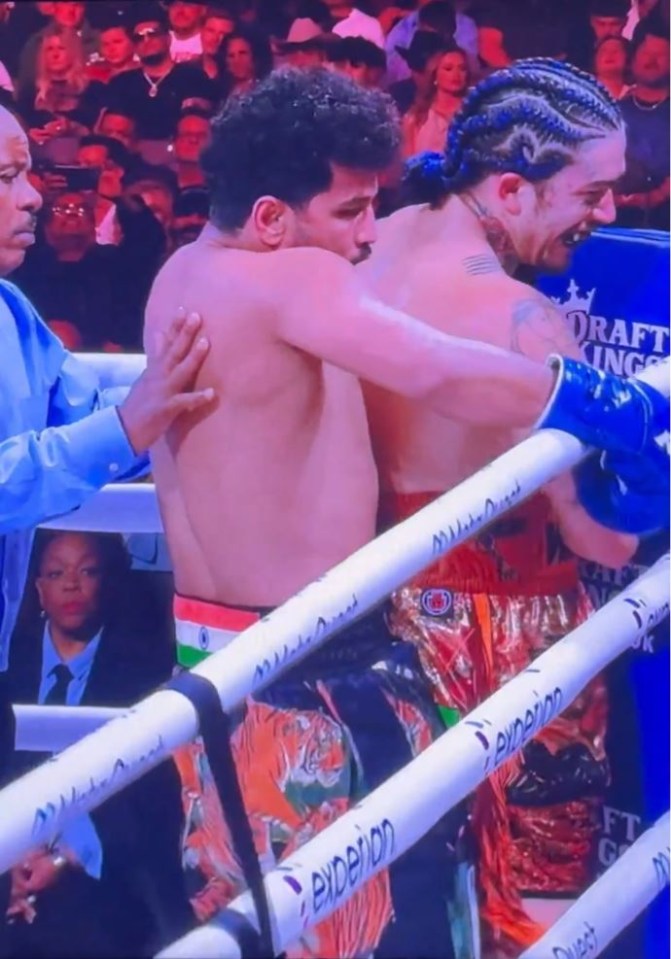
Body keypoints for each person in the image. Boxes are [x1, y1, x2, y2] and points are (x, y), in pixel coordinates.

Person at [144, 68, 668, 959]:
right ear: (273, 217)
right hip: (318, 656)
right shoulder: (297, 280)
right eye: (350, 211)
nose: (364, 236)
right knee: (389, 929)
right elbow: (439, 369)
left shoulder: (180, 275)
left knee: (266, 924)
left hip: (212, 651)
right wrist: (599, 399)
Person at [360, 58, 666, 954]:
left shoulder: (365, 250)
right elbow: (601, 536)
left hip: (385, 612)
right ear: (510, 187)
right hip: (515, 625)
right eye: (593, 192)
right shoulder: (521, 318)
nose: (606, 215)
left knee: (412, 894)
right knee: (537, 908)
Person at [0, 104, 215, 936]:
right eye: (8, 179)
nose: (33, 201)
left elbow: (100, 420)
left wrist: (208, 385)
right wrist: (131, 424)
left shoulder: (14, 315)